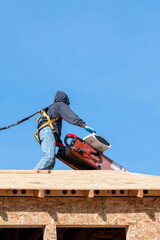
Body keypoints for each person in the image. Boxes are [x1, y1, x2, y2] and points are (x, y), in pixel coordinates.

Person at [34, 90, 96, 170]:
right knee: (48, 158)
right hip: (47, 131)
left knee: (51, 161)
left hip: (45, 132)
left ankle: (41, 179)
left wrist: (59, 142)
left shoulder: (52, 108)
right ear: (65, 100)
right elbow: (70, 116)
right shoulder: (60, 104)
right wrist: (83, 125)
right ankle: (32, 176)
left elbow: (53, 127)